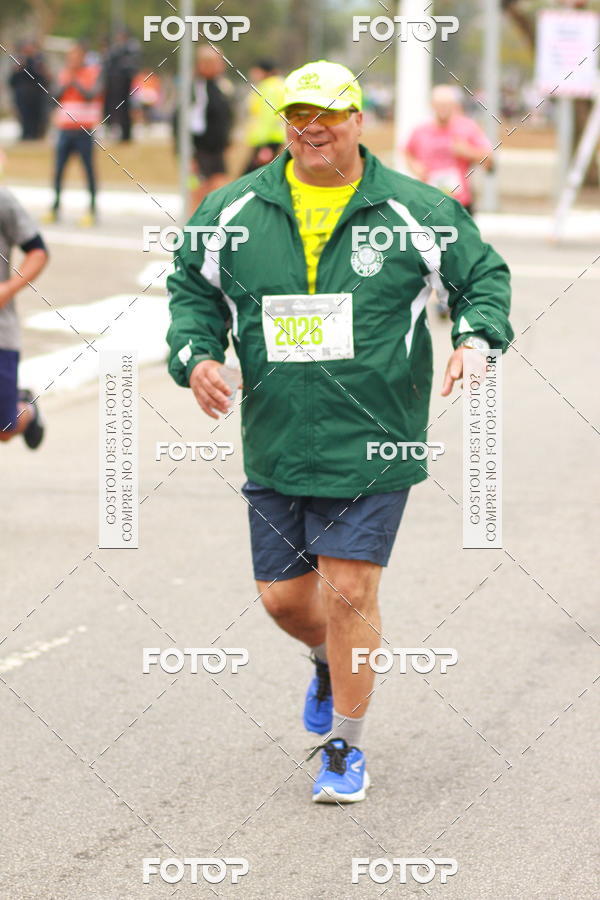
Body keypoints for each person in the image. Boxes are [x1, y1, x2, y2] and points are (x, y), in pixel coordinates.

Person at [166, 60, 512, 804]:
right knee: (286, 602)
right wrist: (196, 355)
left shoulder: (419, 209)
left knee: (350, 590)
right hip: (279, 435)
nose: (310, 127)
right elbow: (192, 288)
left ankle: (343, 749)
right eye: (296, 114)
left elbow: (482, 278)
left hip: (376, 438)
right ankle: (325, 662)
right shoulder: (233, 210)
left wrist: (476, 339)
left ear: (359, 119)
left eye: (327, 113)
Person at [0, 189, 48, 448]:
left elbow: (38, 252)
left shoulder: (3, 202)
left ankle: (27, 410)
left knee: (4, 429)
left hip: (1, 334)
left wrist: (8, 289)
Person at [404, 84, 493, 216]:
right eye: (439, 104)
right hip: (428, 202)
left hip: (460, 203)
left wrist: (468, 151)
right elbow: (407, 151)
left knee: (461, 236)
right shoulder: (420, 131)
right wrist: (414, 166)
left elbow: (489, 160)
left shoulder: (468, 127)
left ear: (454, 105)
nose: (443, 109)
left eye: (447, 104)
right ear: (432, 105)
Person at [48, 43, 103, 226]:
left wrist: (75, 82)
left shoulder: (92, 73)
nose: (73, 60)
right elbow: (55, 96)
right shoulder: (63, 74)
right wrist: (67, 81)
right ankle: (55, 207)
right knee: (58, 170)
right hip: (65, 129)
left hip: (84, 130)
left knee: (88, 170)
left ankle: (92, 209)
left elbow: (90, 95)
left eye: (76, 56)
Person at [180, 46, 233, 208]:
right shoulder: (195, 88)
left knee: (220, 194)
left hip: (217, 152)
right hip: (200, 153)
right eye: (218, 62)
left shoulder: (220, 87)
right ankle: (195, 230)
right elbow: (183, 123)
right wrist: (188, 156)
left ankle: (212, 229)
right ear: (204, 64)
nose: (222, 66)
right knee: (199, 196)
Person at [243, 60, 285, 174]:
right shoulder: (275, 86)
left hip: (267, 139)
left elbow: (269, 116)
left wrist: (264, 146)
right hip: (269, 138)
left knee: (251, 176)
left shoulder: (269, 88)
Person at [102, 29, 140, 142]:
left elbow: (131, 66)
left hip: (125, 86)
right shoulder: (116, 50)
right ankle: (119, 133)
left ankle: (126, 134)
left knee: (124, 109)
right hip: (116, 86)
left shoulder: (130, 49)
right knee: (117, 110)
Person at [8, 40, 50, 141]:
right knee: (24, 119)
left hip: (37, 97)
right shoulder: (19, 62)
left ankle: (36, 136)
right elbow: (11, 81)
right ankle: (26, 135)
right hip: (22, 97)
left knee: (38, 120)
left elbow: (45, 80)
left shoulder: (39, 61)